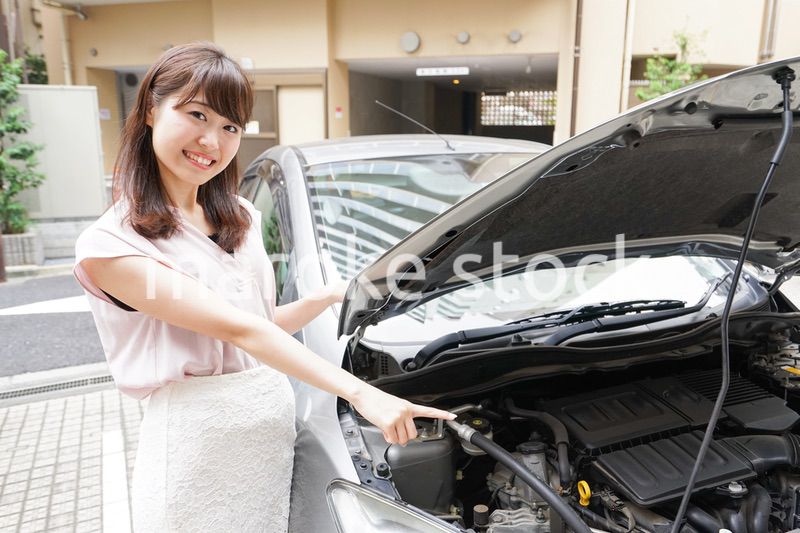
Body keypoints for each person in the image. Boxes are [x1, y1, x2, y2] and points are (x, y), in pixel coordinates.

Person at [72, 42, 455, 532]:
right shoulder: (111, 246)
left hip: (267, 440)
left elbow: (258, 326)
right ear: (150, 110)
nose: (212, 140)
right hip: (196, 449)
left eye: (230, 127)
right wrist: (364, 395)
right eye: (196, 115)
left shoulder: (242, 217)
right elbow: (240, 333)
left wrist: (326, 297)